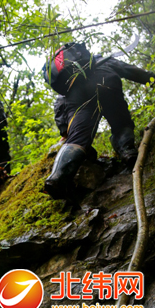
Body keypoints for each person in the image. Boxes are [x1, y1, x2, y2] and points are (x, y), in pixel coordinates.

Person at [44, 47, 155, 203]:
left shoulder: (68, 82)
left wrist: (64, 130)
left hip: (76, 96)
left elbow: (60, 105)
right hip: (105, 79)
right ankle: (127, 151)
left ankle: (57, 178)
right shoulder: (101, 60)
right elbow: (131, 71)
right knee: (120, 122)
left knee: (76, 140)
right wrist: (151, 78)